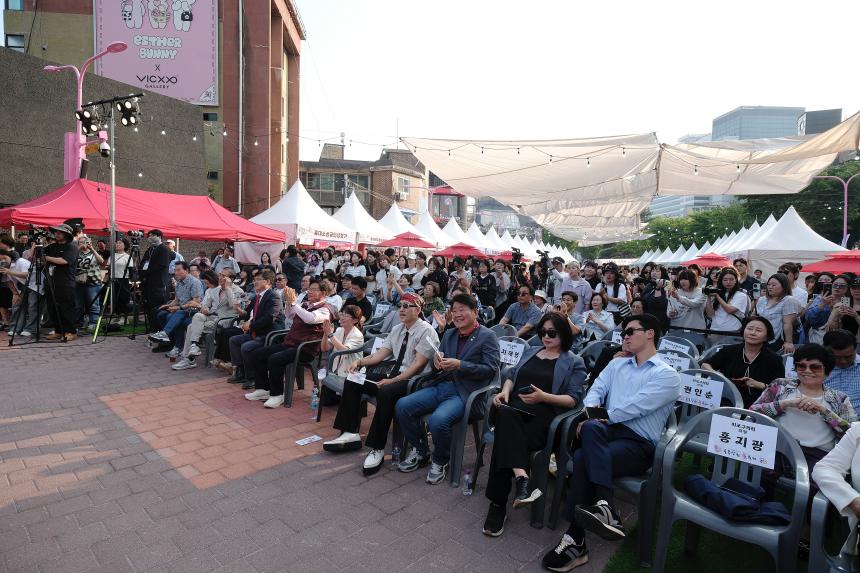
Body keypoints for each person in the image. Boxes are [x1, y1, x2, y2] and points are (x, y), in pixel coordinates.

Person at [542, 314, 680, 571]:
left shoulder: (667, 374)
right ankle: (605, 506)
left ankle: (575, 537)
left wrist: (596, 417)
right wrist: (591, 414)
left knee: (582, 455)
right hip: (605, 433)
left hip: (638, 444)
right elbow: (595, 390)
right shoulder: (617, 365)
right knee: (590, 429)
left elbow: (637, 406)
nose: (625, 336)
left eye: (630, 331)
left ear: (650, 333)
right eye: (623, 332)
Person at [482, 312, 587, 536]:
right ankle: (521, 477)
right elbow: (511, 375)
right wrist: (505, 391)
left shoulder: (574, 362)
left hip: (543, 420)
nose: (546, 337)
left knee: (504, 433)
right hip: (513, 411)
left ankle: (498, 504)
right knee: (506, 414)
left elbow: (573, 400)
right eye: (542, 332)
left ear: (564, 334)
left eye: (552, 333)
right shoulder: (531, 351)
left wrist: (543, 397)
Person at [323, 293, 439, 475]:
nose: (401, 309)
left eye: (406, 306)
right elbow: (380, 354)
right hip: (394, 374)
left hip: (413, 381)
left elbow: (417, 366)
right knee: (353, 379)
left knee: (386, 391)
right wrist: (359, 362)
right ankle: (350, 433)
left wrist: (392, 380)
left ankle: (377, 448)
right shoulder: (398, 329)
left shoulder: (426, 331)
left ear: (417, 310)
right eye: (400, 305)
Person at [395, 293, 500, 484]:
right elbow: (438, 364)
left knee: (438, 420)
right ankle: (421, 451)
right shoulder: (450, 333)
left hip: (467, 393)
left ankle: (441, 460)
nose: (457, 314)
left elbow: (490, 369)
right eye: (454, 310)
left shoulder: (488, 336)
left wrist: (461, 365)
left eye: (462, 310)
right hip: (443, 386)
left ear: (475, 312)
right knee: (403, 405)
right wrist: (436, 362)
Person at [750, 343, 856, 475]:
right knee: (757, 475)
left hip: (817, 454)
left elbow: (851, 433)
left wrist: (823, 410)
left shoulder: (839, 398)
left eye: (815, 367)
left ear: (827, 370)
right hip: (777, 446)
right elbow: (753, 412)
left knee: (815, 482)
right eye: (801, 366)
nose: (807, 371)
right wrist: (784, 404)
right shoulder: (781, 385)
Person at [245, 278, 331, 408]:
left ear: (323, 293)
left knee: (275, 359)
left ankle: (277, 394)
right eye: (309, 289)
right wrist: (289, 303)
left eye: (314, 290)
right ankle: (263, 388)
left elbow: (309, 318)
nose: (310, 292)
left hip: (305, 349)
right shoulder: (305, 304)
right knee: (258, 354)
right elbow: (289, 315)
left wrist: (294, 303)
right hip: (290, 343)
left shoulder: (325, 310)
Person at [701, 316, 784, 407]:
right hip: (726, 402)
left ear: (767, 336)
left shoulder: (774, 359)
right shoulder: (729, 351)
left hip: (759, 406)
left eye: (758, 330)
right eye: (749, 329)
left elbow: (781, 389)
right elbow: (705, 365)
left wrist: (759, 385)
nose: (752, 333)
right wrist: (717, 374)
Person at [172, 269, 243, 370]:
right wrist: (204, 308)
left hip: (225, 321)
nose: (219, 277)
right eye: (219, 275)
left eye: (223, 276)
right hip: (212, 317)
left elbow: (235, 307)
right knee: (198, 316)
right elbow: (206, 305)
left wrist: (228, 289)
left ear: (230, 279)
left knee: (191, 327)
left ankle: (189, 358)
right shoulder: (216, 290)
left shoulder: (238, 291)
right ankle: (193, 347)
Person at [811, 421, 860, 559]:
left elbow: (841, 425)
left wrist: (824, 412)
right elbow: (825, 468)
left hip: (817, 451)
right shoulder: (857, 431)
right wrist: (853, 500)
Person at [225, 270, 278, 386]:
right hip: (255, 332)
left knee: (246, 347)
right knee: (233, 340)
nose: (255, 282)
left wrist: (250, 325)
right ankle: (241, 372)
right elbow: (247, 313)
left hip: (267, 335)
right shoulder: (257, 297)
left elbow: (269, 318)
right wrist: (239, 310)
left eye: (258, 280)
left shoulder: (273, 296)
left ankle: (253, 377)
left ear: (268, 282)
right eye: (254, 280)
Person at [148, 261, 204, 357]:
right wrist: (168, 306)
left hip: (192, 311)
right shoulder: (179, 283)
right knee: (160, 314)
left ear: (186, 271)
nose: (176, 273)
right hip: (181, 310)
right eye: (175, 270)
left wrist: (178, 308)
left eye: (178, 270)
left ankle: (177, 345)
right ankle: (168, 342)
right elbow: (177, 300)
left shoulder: (195, 282)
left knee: (172, 317)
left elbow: (196, 302)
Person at [43, 224, 80, 341]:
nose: (57, 234)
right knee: (52, 308)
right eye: (55, 232)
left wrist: (47, 258)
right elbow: (35, 255)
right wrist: (36, 245)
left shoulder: (72, 247)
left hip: (66, 283)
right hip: (51, 282)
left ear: (66, 234)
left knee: (66, 308)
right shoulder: (51, 246)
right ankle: (59, 331)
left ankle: (71, 332)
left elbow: (64, 261)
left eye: (60, 232)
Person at [754, 273, 802, 353]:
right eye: (768, 284)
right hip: (760, 337)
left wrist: (789, 342)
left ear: (784, 286)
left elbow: (788, 323)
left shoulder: (788, 300)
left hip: (777, 340)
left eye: (774, 285)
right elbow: (755, 316)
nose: (770, 287)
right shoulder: (762, 299)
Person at [704, 267, 749, 342]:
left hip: (732, 332)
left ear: (736, 280)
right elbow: (710, 314)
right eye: (725, 280)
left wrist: (717, 296)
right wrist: (708, 297)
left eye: (731, 279)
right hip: (715, 330)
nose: (728, 282)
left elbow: (730, 310)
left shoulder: (741, 295)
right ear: (721, 281)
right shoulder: (717, 293)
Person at [139, 229, 170, 333]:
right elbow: (144, 261)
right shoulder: (150, 249)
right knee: (148, 306)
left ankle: (159, 328)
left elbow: (162, 265)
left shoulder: (164, 249)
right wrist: (141, 271)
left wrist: (147, 271)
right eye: (149, 235)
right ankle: (152, 327)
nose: (150, 237)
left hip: (158, 283)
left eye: (152, 235)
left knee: (157, 306)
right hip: (147, 282)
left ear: (159, 236)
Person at [320, 304, 365, 376]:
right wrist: (325, 333)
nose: (342, 318)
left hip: (350, 373)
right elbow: (324, 348)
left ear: (355, 320)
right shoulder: (339, 330)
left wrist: (330, 334)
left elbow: (344, 351)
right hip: (335, 371)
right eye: (342, 314)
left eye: (346, 316)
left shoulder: (357, 335)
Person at [823, 329, 860, 414]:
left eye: (849, 357)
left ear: (855, 350)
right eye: (837, 357)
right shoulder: (816, 368)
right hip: (825, 417)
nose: (843, 361)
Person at [74, 236, 105, 332]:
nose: (83, 243)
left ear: (89, 243)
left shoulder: (93, 253)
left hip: (93, 282)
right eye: (80, 242)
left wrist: (92, 249)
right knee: (78, 305)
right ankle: (79, 323)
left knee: (93, 304)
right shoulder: (76, 253)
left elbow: (101, 261)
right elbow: (70, 260)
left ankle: (93, 323)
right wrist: (78, 249)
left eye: (85, 241)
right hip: (79, 282)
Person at [641, 265, 670, 335]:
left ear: (663, 273)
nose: (654, 273)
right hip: (647, 321)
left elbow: (662, 304)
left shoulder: (668, 284)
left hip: (660, 323)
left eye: (657, 271)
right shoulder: (649, 285)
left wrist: (658, 288)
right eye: (652, 271)